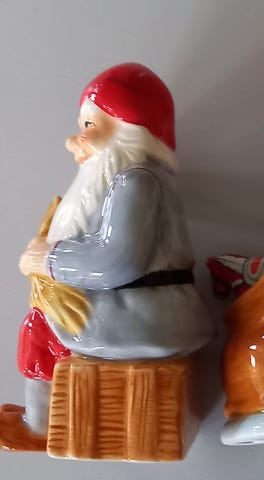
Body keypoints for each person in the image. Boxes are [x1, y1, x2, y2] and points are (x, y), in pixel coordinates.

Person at [0, 63, 212, 451]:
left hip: (142, 317)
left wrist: (46, 259)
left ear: (126, 126)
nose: (75, 140)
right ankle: (40, 418)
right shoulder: (139, 178)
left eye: (88, 125)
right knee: (42, 322)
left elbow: (115, 262)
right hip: (145, 309)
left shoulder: (136, 180)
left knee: (40, 328)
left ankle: (40, 426)